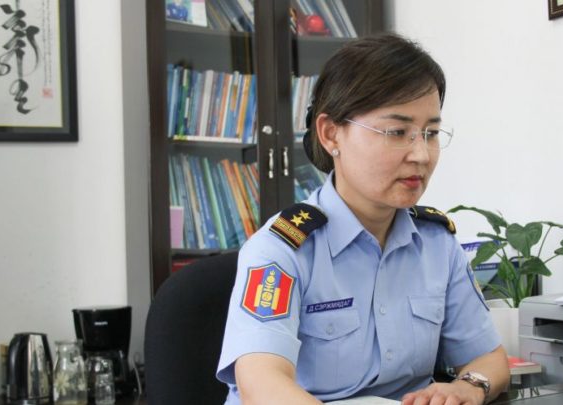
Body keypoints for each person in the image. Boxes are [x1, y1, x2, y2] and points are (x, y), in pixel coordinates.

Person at [216, 33, 509, 405]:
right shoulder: (281, 250)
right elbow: (262, 384)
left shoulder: (437, 244)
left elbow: (489, 358)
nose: (421, 154)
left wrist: (467, 387)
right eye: (397, 132)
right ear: (331, 134)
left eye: (431, 133)